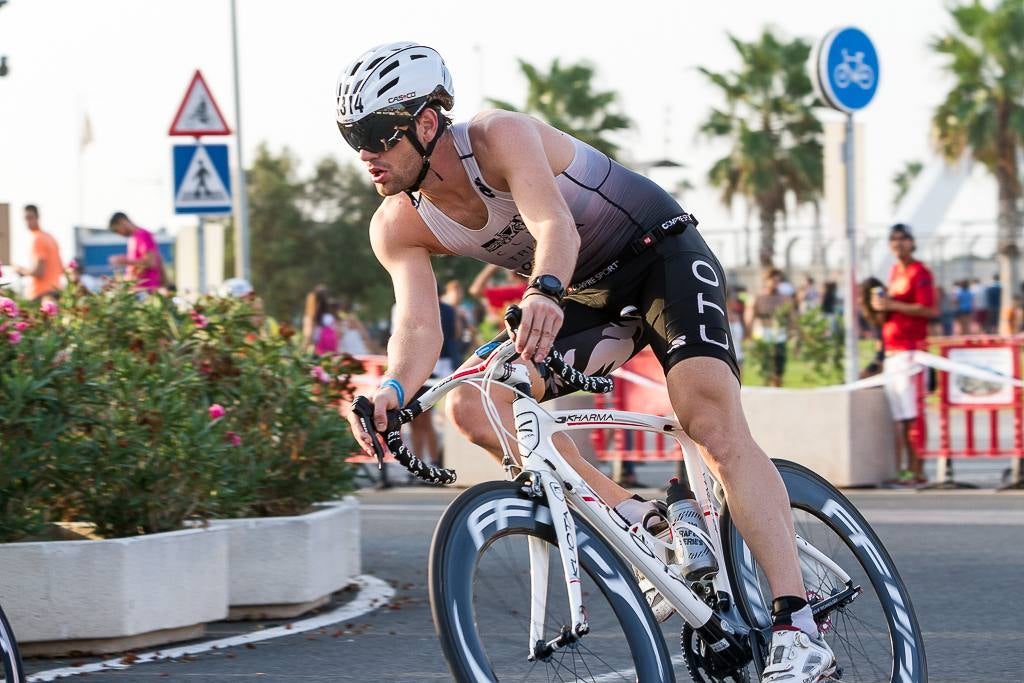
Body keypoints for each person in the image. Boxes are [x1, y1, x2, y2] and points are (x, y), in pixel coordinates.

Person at [337, 42, 834, 680]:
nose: (365, 154)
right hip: (587, 296)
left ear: (427, 122)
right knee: (476, 403)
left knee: (708, 420)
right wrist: (392, 391)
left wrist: (543, 291)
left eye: (376, 134)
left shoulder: (498, 138)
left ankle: (798, 622)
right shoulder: (396, 224)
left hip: (660, 256)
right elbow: (415, 324)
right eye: (352, 137)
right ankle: (647, 521)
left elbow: (556, 228)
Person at [871, 224, 937, 487]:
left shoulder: (919, 272)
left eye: (903, 239)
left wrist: (892, 305)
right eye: (894, 239)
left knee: (912, 415)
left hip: (912, 352)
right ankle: (903, 471)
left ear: (912, 242)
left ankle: (917, 470)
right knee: (899, 417)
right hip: (893, 351)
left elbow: (928, 309)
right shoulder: (894, 272)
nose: (898, 244)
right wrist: (880, 309)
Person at [745, 269, 796, 387]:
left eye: (778, 280)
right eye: (773, 280)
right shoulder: (758, 298)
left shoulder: (785, 298)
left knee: (779, 371)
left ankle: (778, 394)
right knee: (765, 371)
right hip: (763, 336)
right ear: (766, 281)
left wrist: (793, 335)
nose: (776, 283)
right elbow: (750, 319)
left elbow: (792, 319)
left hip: (780, 337)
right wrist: (748, 336)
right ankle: (767, 395)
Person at [13, 205, 63, 301]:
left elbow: (39, 271)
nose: (27, 222)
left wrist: (21, 271)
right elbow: (60, 268)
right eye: (25, 218)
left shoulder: (38, 239)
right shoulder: (50, 238)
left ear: (37, 217)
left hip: (41, 293)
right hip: (55, 290)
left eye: (30, 218)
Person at [108, 212, 163, 293]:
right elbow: (136, 268)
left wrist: (124, 260)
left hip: (146, 289)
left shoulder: (143, 235)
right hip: (137, 289)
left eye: (117, 230)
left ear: (122, 221)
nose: (119, 234)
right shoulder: (132, 239)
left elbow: (151, 262)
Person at [302, 285, 339, 355]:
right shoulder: (330, 317)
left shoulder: (311, 317)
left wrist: (303, 350)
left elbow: (308, 336)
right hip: (328, 353)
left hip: (315, 351)